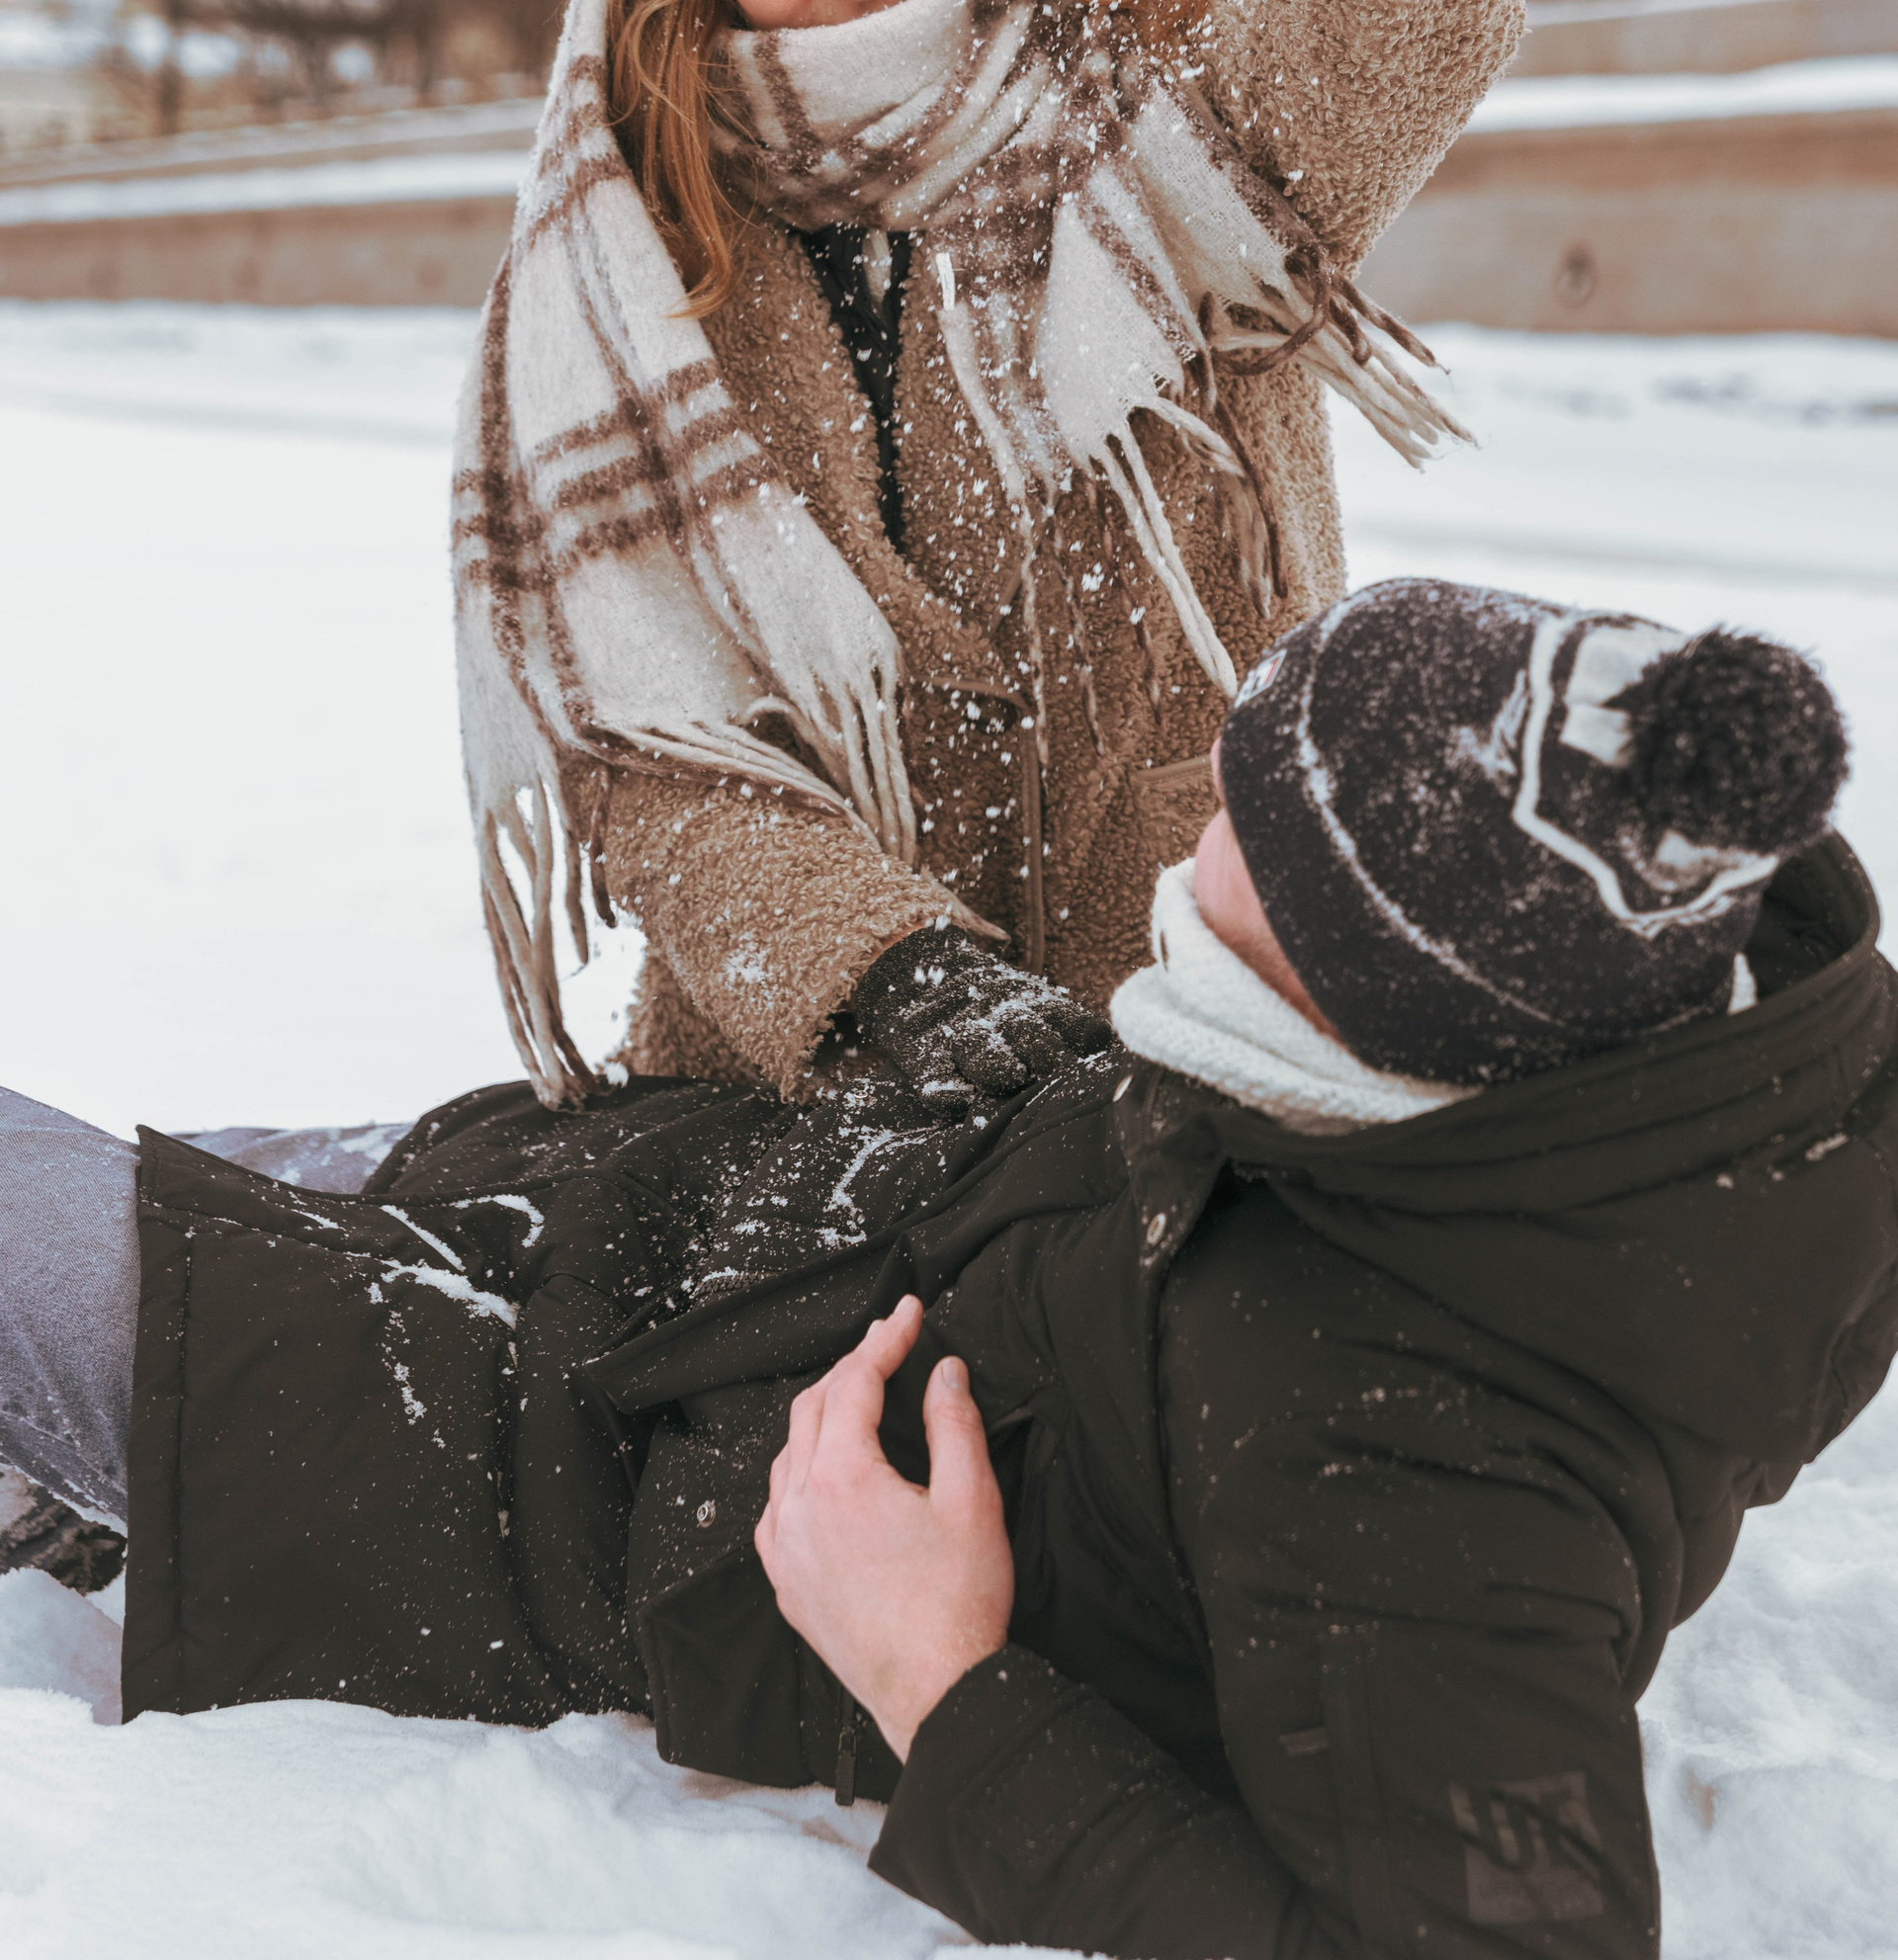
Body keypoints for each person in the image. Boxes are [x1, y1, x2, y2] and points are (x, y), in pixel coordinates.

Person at [4, 579, 1893, 1960]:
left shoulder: (1427, 1464)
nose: (1200, 819)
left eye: (1249, 829)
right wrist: (949, 1011)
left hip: (543, 1496)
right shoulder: (1581, 1086)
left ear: (1369, 1005)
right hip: (639, 1220)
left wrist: (943, 1681)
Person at [452, 0, 1524, 1112]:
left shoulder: (1158, 99)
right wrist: (877, 971)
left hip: (1202, 1003)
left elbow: (1392, 50)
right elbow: (644, 735)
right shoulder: (618, 261)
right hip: (815, 1088)